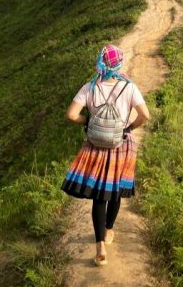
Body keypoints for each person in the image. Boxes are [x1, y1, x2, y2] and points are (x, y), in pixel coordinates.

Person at [62, 44, 150, 266]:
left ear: (100, 62)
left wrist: (88, 121)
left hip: (95, 146)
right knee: (115, 192)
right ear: (119, 63)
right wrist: (129, 128)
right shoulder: (129, 87)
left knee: (99, 196)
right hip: (120, 146)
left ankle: (100, 244)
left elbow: (71, 115)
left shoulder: (90, 87)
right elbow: (145, 116)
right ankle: (109, 230)